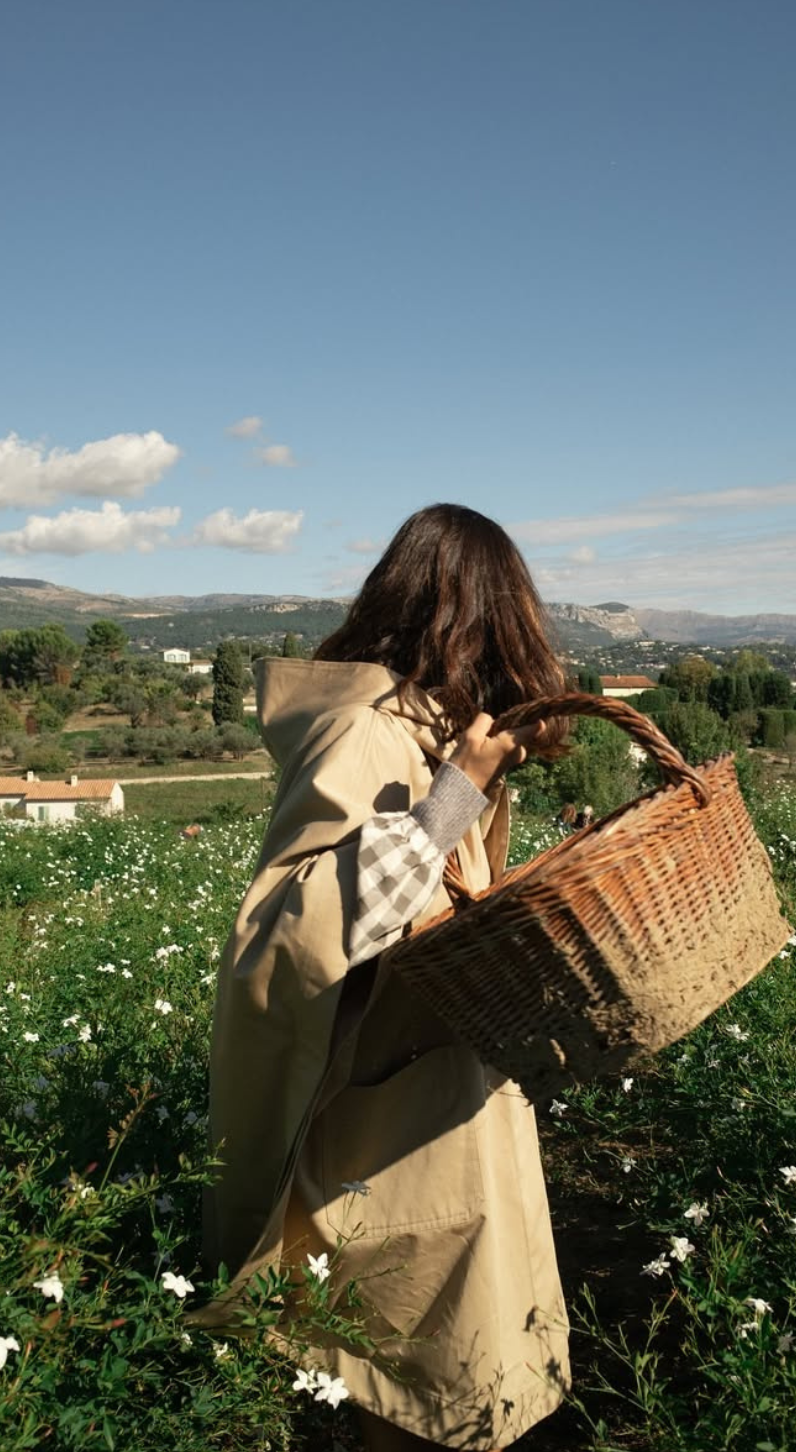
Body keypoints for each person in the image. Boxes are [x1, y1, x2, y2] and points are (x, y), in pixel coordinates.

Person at [201, 505, 571, 1450]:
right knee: (411, 1390)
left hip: (437, 1097)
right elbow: (293, 926)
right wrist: (454, 798)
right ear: (475, 620)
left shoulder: (435, 734)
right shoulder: (367, 738)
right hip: (390, 1123)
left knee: (450, 1370)